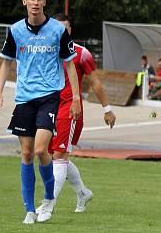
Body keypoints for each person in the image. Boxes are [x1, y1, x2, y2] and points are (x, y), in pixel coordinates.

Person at [0, 0, 81, 224]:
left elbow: (70, 65)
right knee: (27, 153)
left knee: (42, 149)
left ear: (45, 2)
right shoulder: (16, 30)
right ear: (25, 1)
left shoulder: (57, 31)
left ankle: (49, 199)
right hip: (24, 98)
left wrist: (75, 99)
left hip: (49, 96)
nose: (35, 3)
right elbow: (6, 63)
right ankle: (29, 210)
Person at [49, 13, 116, 218]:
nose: (62, 32)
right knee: (54, 156)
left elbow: (95, 83)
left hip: (71, 110)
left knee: (60, 155)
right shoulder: (46, 52)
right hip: (48, 109)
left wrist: (107, 109)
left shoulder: (81, 53)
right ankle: (83, 193)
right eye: (58, 28)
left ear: (70, 30)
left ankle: (47, 204)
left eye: (65, 28)